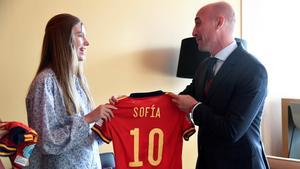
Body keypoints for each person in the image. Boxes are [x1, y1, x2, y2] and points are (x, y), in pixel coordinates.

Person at [169, 2, 269, 169]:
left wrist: (194, 108)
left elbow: (231, 131)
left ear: (219, 22)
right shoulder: (204, 66)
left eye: (198, 22)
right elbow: (180, 99)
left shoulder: (253, 70)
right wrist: (129, 105)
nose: (193, 31)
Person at [25, 13, 116, 169]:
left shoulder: (78, 82)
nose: (87, 42)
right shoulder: (45, 82)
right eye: (80, 36)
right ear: (62, 40)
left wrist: (108, 116)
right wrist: (88, 118)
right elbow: (46, 143)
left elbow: (86, 138)